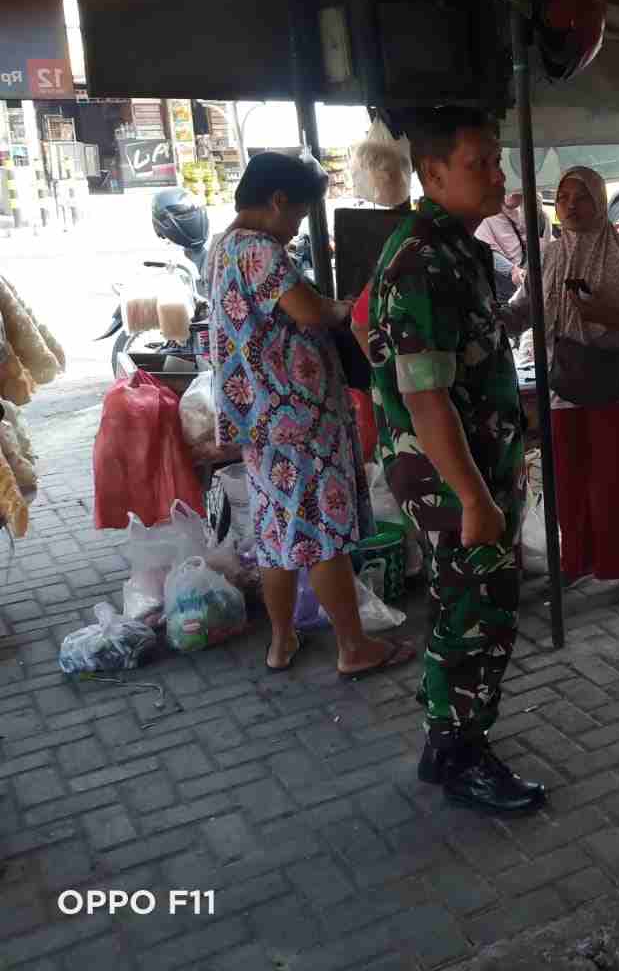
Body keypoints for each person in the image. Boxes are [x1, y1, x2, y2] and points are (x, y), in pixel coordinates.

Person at [368, 108, 546, 816]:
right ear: (433, 173)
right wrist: (475, 498)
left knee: (466, 603)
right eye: (482, 162)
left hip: (475, 463)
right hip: (450, 474)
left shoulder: (457, 248)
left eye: (499, 161)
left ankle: (450, 738)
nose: (498, 175)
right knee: (479, 609)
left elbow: (464, 352)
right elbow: (428, 399)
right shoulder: (421, 259)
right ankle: (461, 754)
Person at [209, 152, 415, 679]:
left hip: (261, 420)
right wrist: (347, 307)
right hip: (296, 418)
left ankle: (281, 642)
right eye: (299, 213)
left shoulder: (224, 245)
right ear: (278, 201)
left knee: (279, 536)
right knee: (322, 534)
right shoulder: (259, 250)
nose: (298, 224)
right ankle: (353, 646)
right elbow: (307, 310)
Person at [506, 166, 619, 603]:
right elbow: (524, 308)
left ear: (599, 201)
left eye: (582, 197)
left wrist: (600, 313)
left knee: (618, 479)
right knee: (568, 481)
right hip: (563, 383)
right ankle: (576, 563)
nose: (571, 205)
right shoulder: (549, 257)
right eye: (565, 197)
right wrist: (493, 318)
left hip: (614, 383)